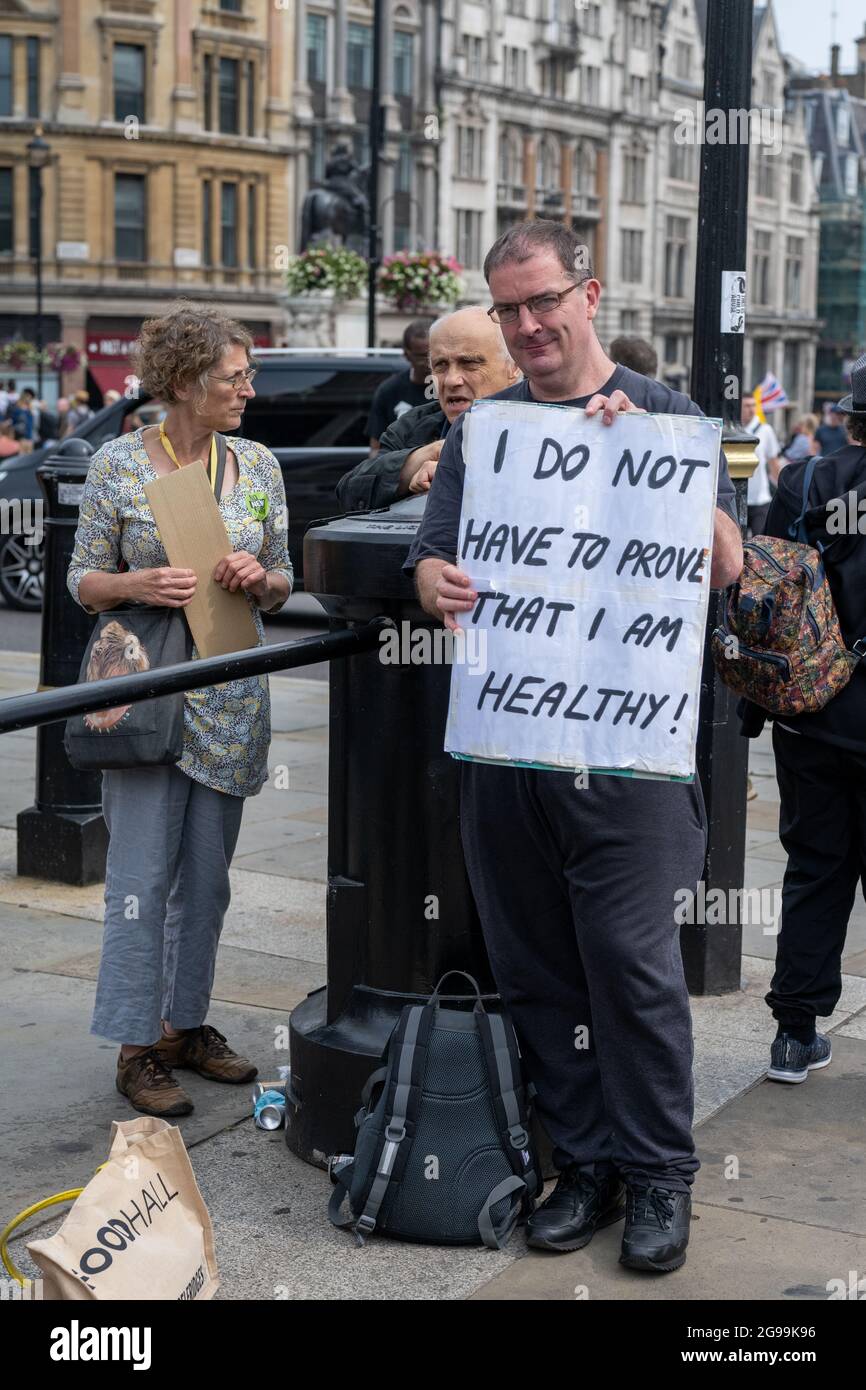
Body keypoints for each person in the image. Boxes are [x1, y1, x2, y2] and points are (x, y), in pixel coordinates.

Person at [406, 219, 742, 1273]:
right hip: (509, 752)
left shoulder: (667, 415)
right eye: (506, 309)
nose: (526, 324)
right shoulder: (485, 431)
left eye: (540, 301)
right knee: (537, 967)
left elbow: (726, 564)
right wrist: (435, 583)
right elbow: (428, 557)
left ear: (586, 296)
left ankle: (656, 1176)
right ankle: (582, 1166)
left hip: (628, 764)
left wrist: (640, 454)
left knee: (632, 973)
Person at [67, 304, 293, 1118]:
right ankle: (136, 1048)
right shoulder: (118, 464)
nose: (249, 390)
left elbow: (283, 578)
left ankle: (183, 1025)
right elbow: (84, 582)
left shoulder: (259, 465)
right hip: (147, 699)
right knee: (138, 879)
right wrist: (137, 584)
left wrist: (256, 577)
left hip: (231, 697)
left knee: (206, 883)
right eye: (236, 377)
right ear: (189, 381)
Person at [743, 353, 866, 1083]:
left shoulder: (808, 479)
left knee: (816, 867)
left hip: (814, 711)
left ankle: (795, 1032)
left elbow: (768, 592)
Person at [337, 306, 520, 511]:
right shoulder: (411, 428)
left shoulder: (546, 425)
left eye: (469, 363)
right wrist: (421, 458)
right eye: (441, 365)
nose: (451, 380)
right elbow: (350, 493)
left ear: (513, 366)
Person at [365, 320, 433, 453]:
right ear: (407, 355)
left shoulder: (450, 387)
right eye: (422, 356)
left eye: (432, 354)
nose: (428, 362)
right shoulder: (389, 390)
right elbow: (376, 448)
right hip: (400, 470)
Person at [742, 391, 780, 535]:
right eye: (746, 406)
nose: (751, 409)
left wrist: (781, 489)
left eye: (753, 405)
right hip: (739, 500)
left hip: (761, 499)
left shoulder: (765, 430)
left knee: (760, 545)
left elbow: (773, 462)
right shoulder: (732, 430)